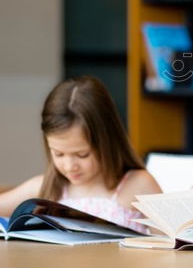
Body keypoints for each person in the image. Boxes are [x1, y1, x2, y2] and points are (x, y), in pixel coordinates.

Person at [0, 76, 161, 233]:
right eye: (59, 154)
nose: (70, 166)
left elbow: (173, 245)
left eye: (82, 154)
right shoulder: (45, 188)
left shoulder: (138, 185)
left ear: (107, 143)